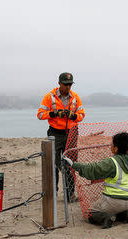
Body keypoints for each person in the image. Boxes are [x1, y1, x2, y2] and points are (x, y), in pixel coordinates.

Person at [63, 132, 128, 229]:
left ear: (116, 148)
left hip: (112, 202)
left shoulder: (112, 162)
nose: (110, 147)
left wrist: (73, 164)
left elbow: (93, 169)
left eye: (111, 145)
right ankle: (125, 215)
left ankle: (107, 217)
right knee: (119, 209)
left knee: (89, 213)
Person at [37, 72, 85, 202]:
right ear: (59, 83)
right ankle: (53, 194)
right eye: (66, 84)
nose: (68, 87)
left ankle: (70, 195)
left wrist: (73, 116)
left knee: (69, 164)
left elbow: (81, 115)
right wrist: (54, 113)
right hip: (55, 134)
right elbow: (40, 115)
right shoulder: (49, 97)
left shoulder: (75, 97)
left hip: (71, 134)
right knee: (53, 164)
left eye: (70, 84)